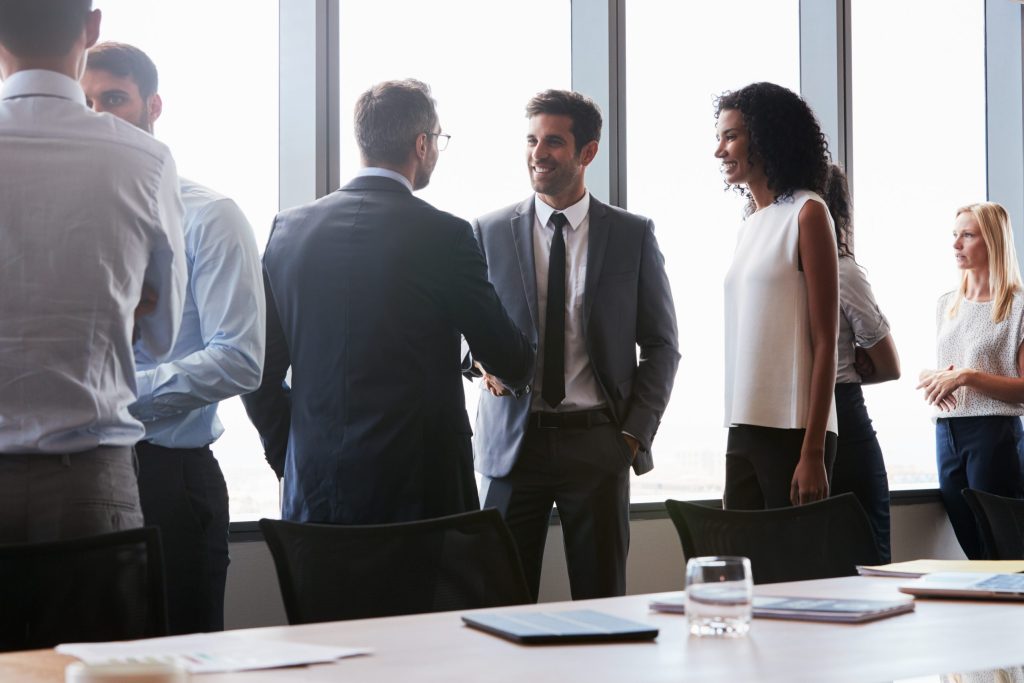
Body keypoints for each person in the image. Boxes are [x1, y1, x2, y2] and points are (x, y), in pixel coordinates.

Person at [243, 79, 533, 525]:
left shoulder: (288, 231)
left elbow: (258, 371)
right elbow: (509, 358)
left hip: (316, 494)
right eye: (438, 140)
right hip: (420, 498)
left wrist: (294, 453)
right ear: (422, 144)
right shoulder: (446, 236)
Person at [82, 42, 265, 634]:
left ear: (153, 106)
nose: (99, 116)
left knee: (179, 659)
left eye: (114, 99)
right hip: (76, 474)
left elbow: (240, 357)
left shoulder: (210, 216)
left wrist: (114, 400)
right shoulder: (68, 215)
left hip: (167, 478)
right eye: (85, 102)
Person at [472, 89, 679, 601]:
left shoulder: (632, 235)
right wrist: (475, 361)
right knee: (499, 602)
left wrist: (631, 436)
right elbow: (461, 330)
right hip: (511, 449)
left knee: (603, 603)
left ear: (587, 152)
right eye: (531, 140)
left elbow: (662, 345)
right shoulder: (488, 231)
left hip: (597, 445)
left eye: (554, 142)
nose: (538, 153)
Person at [0, 0, 186, 543]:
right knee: (98, 631)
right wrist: (118, 309)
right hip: (90, 479)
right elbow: (163, 334)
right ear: (92, 26)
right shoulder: (146, 160)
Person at [715, 82, 839, 510]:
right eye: (719, 138)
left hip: (794, 430)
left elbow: (826, 342)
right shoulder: (749, 226)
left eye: (731, 137)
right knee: (745, 565)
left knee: (792, 572)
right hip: (742, 424)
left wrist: (813, 451)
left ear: (766, 137)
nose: (720, 151)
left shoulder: (808, 212)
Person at [917, 202, 1024, 559]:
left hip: (994, 434)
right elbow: (950, 367)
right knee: (974, 553)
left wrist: (968, 376)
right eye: (954, 235)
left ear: (991, 241)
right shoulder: (946, 304)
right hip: (946, 433)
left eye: (967, 235)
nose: (956, 244)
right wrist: (932, 378)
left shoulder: (1017, 307)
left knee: (1002, 552)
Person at [823, 163, 900, 563]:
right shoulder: (841, 270)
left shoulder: (834, 271)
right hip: (843, 413)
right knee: (865, 559)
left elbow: (891, 366)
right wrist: (849, 364)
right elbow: (887, 366)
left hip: (830, 412)